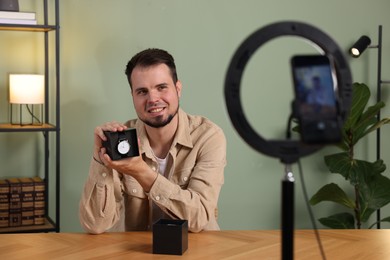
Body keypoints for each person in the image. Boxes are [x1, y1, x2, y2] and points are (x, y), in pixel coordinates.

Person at [79, 48, 227, 234]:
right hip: (136, 251)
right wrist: (101, 160)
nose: (153, 99)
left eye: (161, 87)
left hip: (196, 249)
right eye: (142, 91)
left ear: (178, 89)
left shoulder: (207, 136)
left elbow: (199, 218)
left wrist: (141, 172)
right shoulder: (122, 142)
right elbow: (95, 225)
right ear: (132, 96)